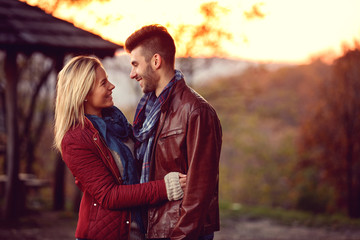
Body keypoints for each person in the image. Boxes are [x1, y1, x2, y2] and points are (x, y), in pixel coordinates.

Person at [54, 55, 186, 240]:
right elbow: (109, 195)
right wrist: (166, 188)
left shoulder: (116, 123)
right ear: (83, 92)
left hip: (139, 227)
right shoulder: (75, 140)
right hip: (108, 233)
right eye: (103, 83)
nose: (111, 86)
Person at [125, 24, 222, 240]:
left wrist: (180, 237)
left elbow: (201, 188)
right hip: (151, 227)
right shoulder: (147, 112)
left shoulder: (196, 111)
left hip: (178, 232)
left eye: (135, 64)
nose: (132, 74)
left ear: (156, 61)